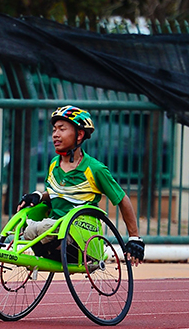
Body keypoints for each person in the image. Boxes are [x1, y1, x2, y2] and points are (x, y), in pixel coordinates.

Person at [17, 106, 145, 266]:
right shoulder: (54, 165)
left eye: (62, 129)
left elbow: (122, 199)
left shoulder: (95, 169)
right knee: (24, 226)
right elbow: (58, 193)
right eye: (54, 129)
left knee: (39, 228)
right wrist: (38, 196)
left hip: (80, 238)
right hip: (54, 233)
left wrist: (134, 238)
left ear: (80, 135)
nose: (55, 134)